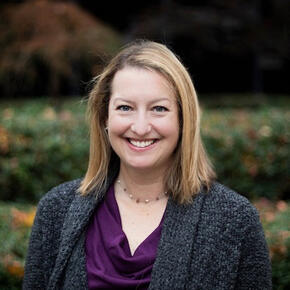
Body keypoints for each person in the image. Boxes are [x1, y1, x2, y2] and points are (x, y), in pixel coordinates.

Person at [23, 40, 272, 290]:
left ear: (183, 119)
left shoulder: (235, 221)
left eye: (159, 109)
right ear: (104, 117)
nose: (140, 127)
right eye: (125, 107)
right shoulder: (56, 211)